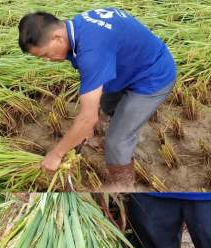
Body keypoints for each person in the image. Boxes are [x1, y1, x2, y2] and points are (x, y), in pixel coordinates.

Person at [18, 9, 176, 191]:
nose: (47, 60)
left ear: (57, 38)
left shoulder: (91, 51)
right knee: (106, 105)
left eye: (45, 54)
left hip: (152, 77)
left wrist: (57, 153)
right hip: (128, 67)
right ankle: (126, 133)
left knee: (116, 142)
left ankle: (124, 186)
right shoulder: (78, 27)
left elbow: (87, 118)